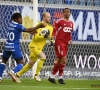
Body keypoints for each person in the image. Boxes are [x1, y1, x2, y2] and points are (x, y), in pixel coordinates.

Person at [0, 13, 45, 82]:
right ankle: (13, 72)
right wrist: (38, 26)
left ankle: (0, 77)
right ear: (15, 19)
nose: (21, 19)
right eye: (20, 18)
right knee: (22, 63)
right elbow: (27, 29)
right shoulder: (18, 26)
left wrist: (31, 32)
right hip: (14, 46)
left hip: (7, 46)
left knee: (3, 61)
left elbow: (20, 31)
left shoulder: (10, 24)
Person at [10, 12, 53, 83]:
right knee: (43, 57)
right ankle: (37, 74)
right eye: (48, 17)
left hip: (40, 47)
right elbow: (35, 36)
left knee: (30, 64)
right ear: (44, 17)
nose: (49, 18)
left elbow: (50, 37)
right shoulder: (39, 25)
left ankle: (17, 75)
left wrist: (51, 41)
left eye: (50, 17)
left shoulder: (50, 28)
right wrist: (43, 35)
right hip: (34, 46)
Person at [48, 8, 73, 84]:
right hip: (59, 43)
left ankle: (51, 76)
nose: (66, 13)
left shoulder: (71, 23)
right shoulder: (59, 21)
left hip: (65, 44)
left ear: (70, 13)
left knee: (59, 60)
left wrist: (70, 40)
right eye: (65, 12)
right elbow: (54, 30)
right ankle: (60, 77)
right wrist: (52, 39)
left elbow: (69, 33)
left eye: (68, 12)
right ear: (63, 13)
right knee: (64, 60)